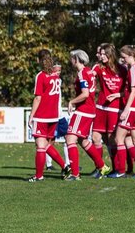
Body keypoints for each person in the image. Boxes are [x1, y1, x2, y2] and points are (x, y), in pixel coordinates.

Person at [64, 50, 106, 180]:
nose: (71, 60)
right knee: (83, 140)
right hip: (89, 110)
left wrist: (72, 101)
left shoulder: (82, 73)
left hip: (84, 110)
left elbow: (85, 94)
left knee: (70, 138)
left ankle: (75, 174)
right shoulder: (88, 71)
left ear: (77, 59)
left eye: (72, 58)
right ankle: (102, 166)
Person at [27, 49, 67, 181]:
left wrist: (31, 116)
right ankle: (65, 166)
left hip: (42, 116)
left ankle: (39, 176)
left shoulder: (41, 75)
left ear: (39, 60)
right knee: (45, 144)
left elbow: (38, 98)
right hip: (53, 116)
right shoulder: (55, 76)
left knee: (40, 145)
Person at [112, 44, 135, 178]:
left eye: (124, 57)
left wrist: (126, 109)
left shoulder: (133, 69)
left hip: (132, 109)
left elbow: (133, 91)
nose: (123, 60)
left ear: (131, 56)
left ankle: (121, 171)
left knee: (118, 138)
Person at [92, 44, 124, 174]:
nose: (102, 56)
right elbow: (88, 77)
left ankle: (116, 168)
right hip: (100, 107)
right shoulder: (98, 67)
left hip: (114, 109)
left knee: (111, 140)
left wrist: (118, 95)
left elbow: (130, 90)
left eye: (105, 54)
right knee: (95, 137)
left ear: (111, 54)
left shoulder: (122, 69)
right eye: (101, 54)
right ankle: (99, 167)